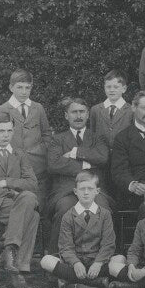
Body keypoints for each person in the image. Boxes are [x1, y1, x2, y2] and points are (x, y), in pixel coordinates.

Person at [0, 112, 40, 288]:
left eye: (9, 131)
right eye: (1, 130)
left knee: (30, 206)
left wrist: (6, 182)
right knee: (30, 208)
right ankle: (19, 269)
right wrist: (13, 193)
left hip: (16, 204)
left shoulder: (19, 155)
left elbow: (32, 184)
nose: (5, 135)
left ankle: (12, 261)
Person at [47, 98, 113, 253]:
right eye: (74, 112)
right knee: (65, 209)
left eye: (82, 112)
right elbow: (53, 164)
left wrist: (75, 153)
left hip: (94, 189)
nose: (78, 116)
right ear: (66, 116)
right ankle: (55, 256)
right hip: (66, 190)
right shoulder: (57, 139)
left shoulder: (98, 137)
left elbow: (102, 158)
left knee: (103, 208)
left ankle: (104, 256)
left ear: (88, 114)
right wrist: (87, 165)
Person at [0, 68, 51, 216]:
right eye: (19, 87)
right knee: (21, 210)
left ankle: (37, 238)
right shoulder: (2, 109)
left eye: (28, 88)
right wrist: (6, 154)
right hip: (14, 171)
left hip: (38, 170)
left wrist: (41, 151)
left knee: (40, 211)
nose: (24, 92)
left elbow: (47, 135)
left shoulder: (38, 108)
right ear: (11, 87)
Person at [39, 170, 116, 288]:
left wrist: (98, 263)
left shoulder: (105, 214)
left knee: (119, 260)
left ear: (97, 191)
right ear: (75, 192)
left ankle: (71, 283)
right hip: (75, 263)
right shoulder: (68, 216)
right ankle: (96, 283)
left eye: (90, 189)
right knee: (46, 260)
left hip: (96, 262)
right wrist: (75, 263)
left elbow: (108, 244)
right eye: (82, 189)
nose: (86, 193)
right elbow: (65, 246)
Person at [88, 69, 133, 194]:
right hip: (102, 158)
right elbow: (93, 132)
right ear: (104, 88)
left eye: (116, 87)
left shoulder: (130, 110)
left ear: (124, 89)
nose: (112, 90)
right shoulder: (96, 110)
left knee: (120, 188)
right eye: (108, 87)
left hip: (123, 158)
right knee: (104, 187)